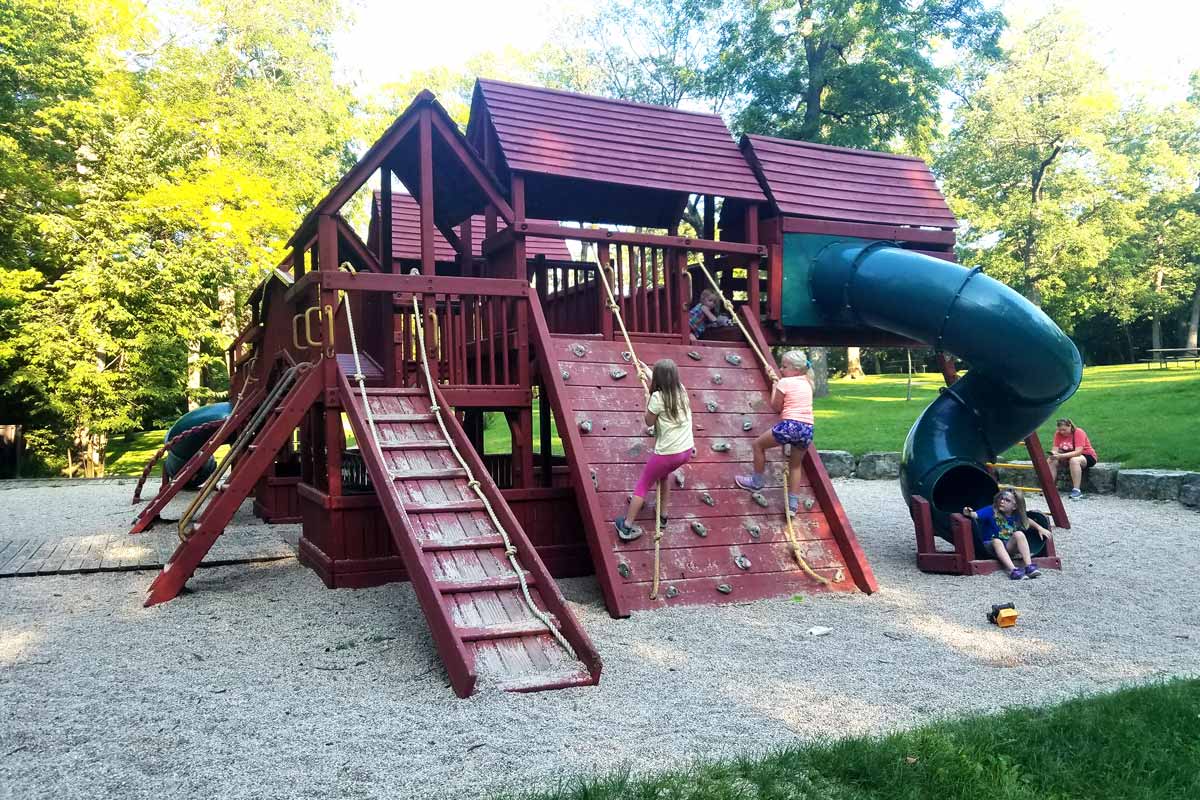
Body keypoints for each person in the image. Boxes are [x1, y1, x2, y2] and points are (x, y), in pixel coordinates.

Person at [613, 359, 694, 541]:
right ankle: (663, 516)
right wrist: (645, 369)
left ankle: (626, 526)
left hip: (668, 453)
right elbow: (664, 380)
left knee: (643, 484)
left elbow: (649, 421)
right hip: (685, 451)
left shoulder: (657, 398)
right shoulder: (681, 390)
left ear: (658, 379)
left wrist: (647, 401)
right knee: (663, 476)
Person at [735, 350, 814, 513]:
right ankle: (792, 505)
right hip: (807, 429)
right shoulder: (807, 382)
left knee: (758, 445)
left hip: (790, 426)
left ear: (796, 370)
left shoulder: (784, 383)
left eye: (784, 366)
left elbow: (776, 407)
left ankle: (756, 481)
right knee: (795, 466)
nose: (781, 369)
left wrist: (774, 385)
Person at [962, 487, 1051, 580]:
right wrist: (968, 512)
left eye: (1007, 500)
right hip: (989, 546)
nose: (1002, 501)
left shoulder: (1016, 516)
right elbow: (975, 515)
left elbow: (1027, 520)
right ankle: (1013, 570)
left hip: (1007, 546)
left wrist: (1040, 528)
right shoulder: (991, 510)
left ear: (1015, 506)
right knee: (997, 541)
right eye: (1001, 498)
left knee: (1019, 534)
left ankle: (1029, 566)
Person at [1046, 418, 1097, 500]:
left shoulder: (1078, 432)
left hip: (1086, 455)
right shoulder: (1058, 434)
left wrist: (1061, 456)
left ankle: (1076, 490)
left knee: (1074, 460)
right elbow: (1055, 449)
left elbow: (1078, 452)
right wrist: (1053, 454)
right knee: (1050, 460)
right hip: (1067, 455)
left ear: (1070, 426)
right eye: (1060, 430)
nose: (1062, 432)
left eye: (1064, 430)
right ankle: (1050, 488)